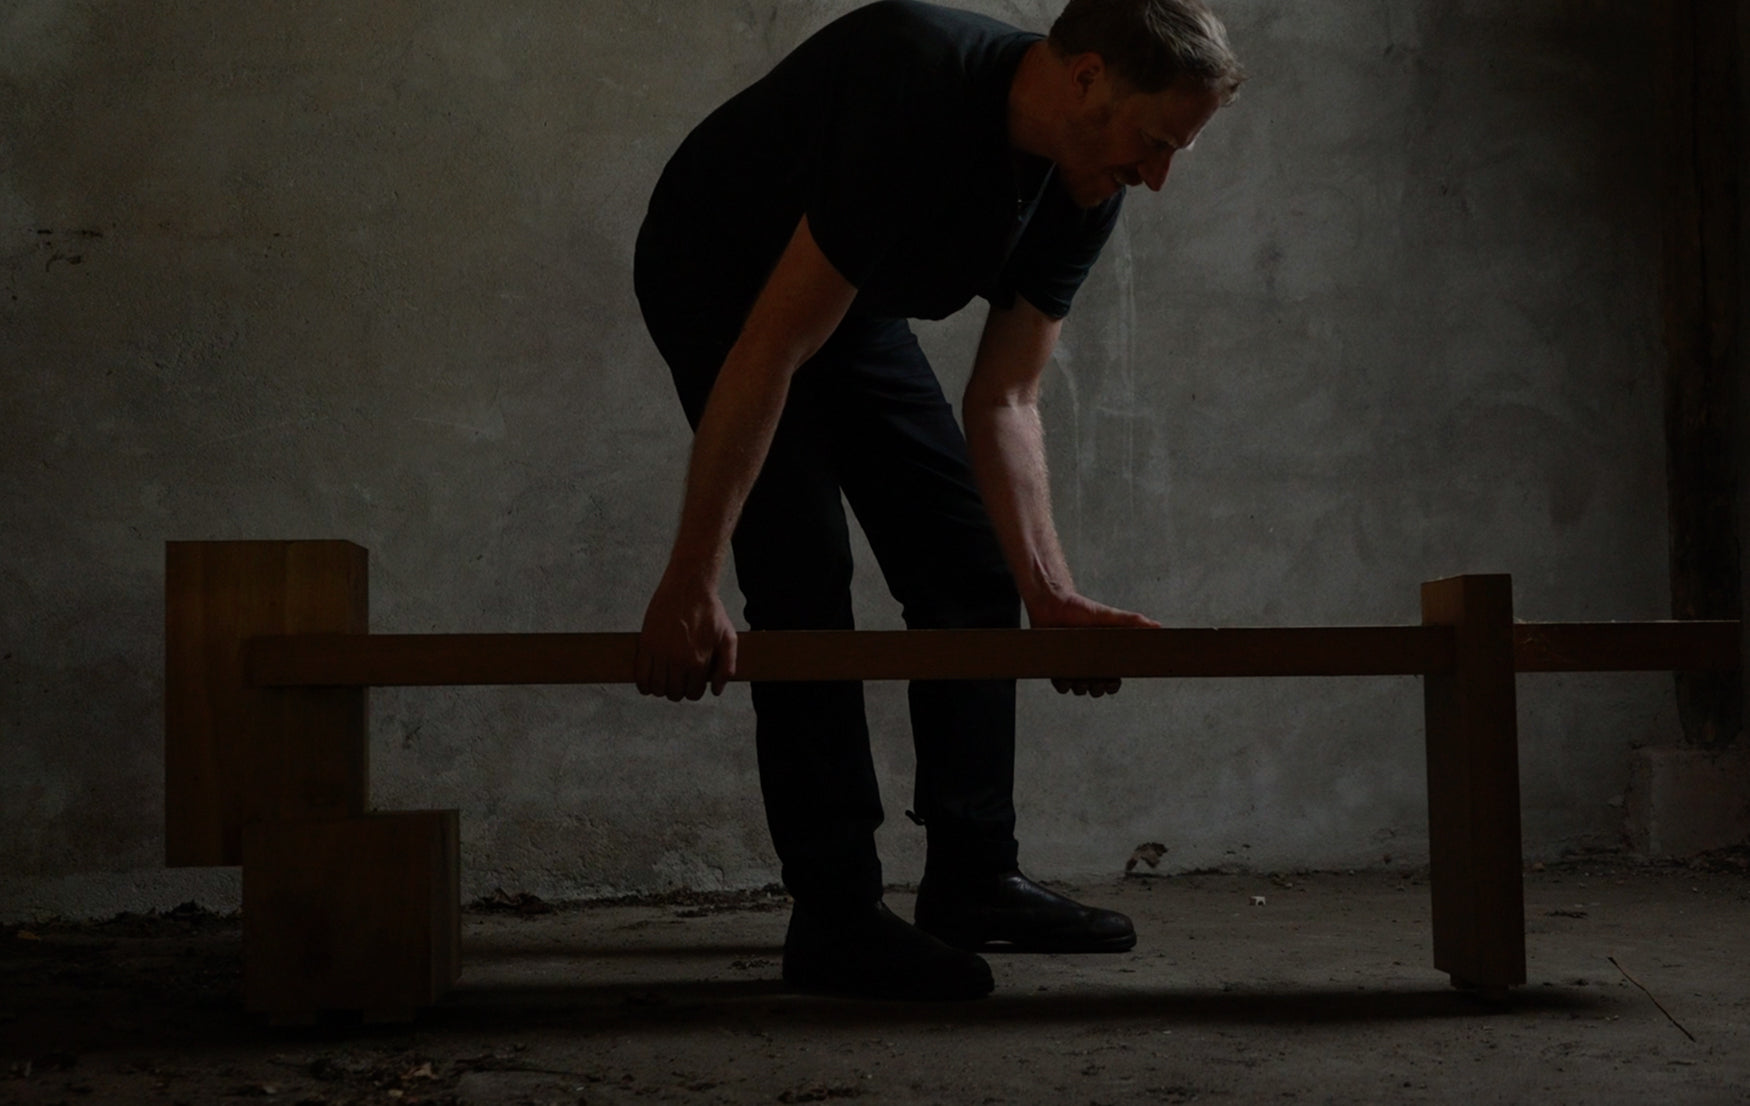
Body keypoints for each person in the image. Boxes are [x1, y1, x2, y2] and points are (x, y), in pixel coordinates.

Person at [631, 0, 1243, 1000]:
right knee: (802, 577)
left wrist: (1050, 592)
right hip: (721, 275)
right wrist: (690, 575)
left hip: (846, 293)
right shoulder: (911, 89)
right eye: (1156, 140)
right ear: (1087, 76)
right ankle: (833, 914)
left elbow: (1004, 394)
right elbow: (773, 346)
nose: (1160, 175)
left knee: (967, 564)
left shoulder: (1088, 180)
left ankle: (972, 877)